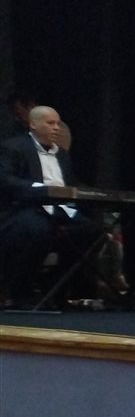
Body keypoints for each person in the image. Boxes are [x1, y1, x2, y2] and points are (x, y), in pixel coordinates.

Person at [0, 106, 102, 308]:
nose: (56, 128)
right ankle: (20, 291)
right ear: (33, 124)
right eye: (50, 123)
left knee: (92, 231)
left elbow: (71, 184)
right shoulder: (13, 147)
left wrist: (95, 193)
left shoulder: (62, 155)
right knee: (37, 230)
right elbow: (5, 179)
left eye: (58, 123)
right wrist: (40, 189)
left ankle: (55, 288)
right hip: (27, 207)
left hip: (60, 209)